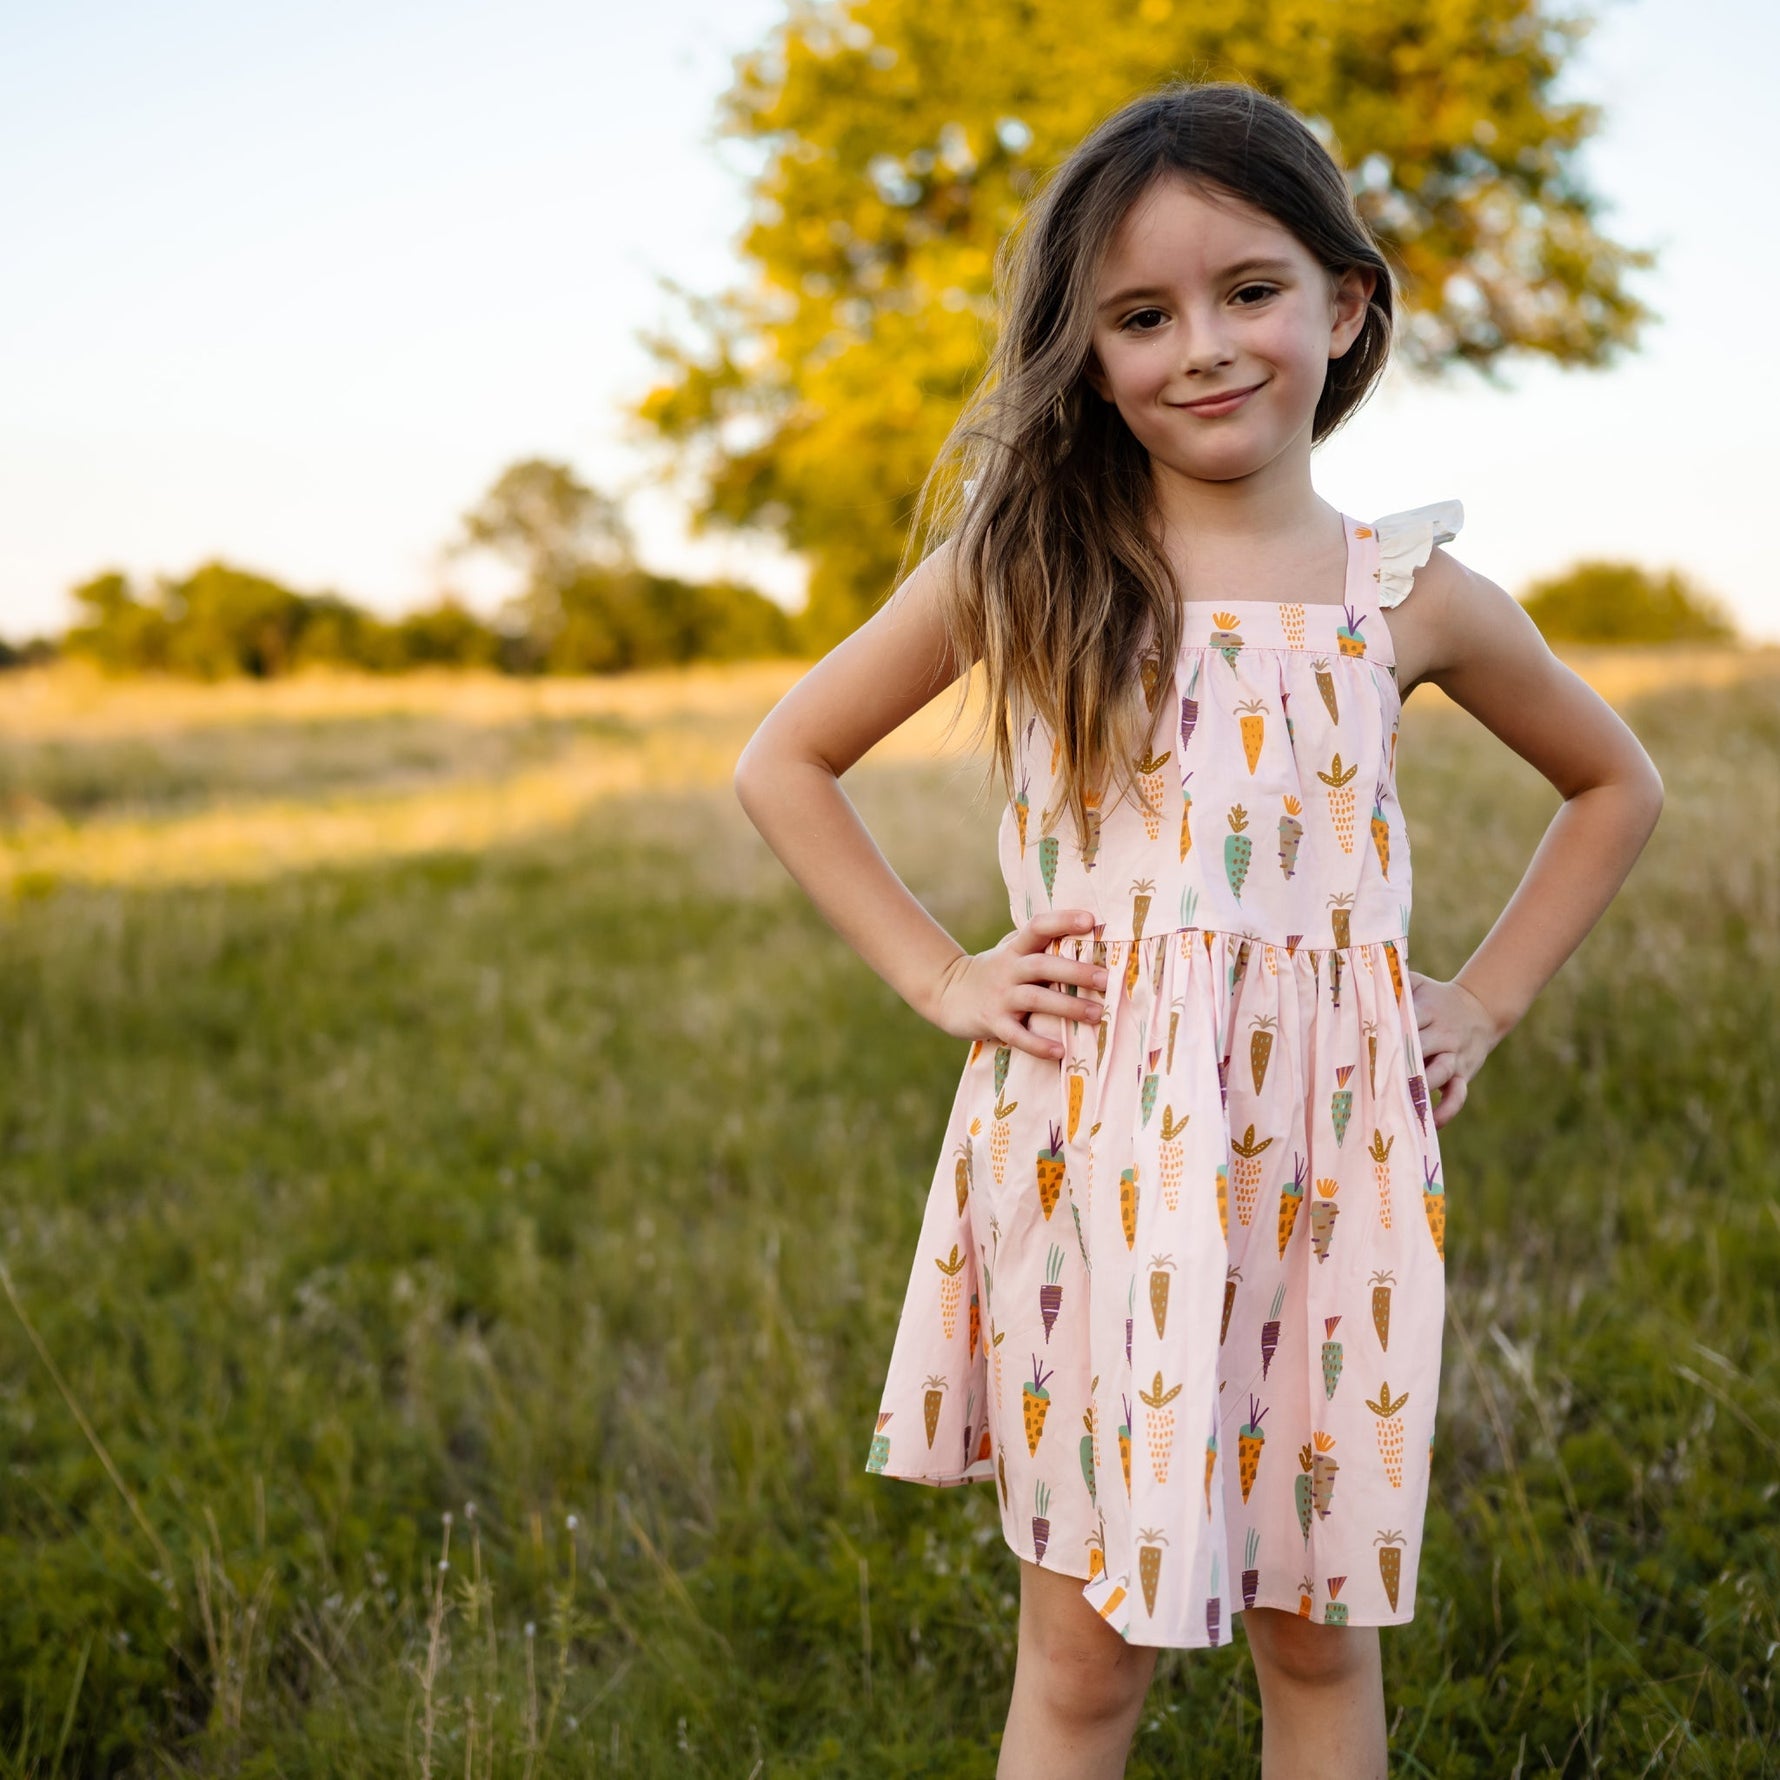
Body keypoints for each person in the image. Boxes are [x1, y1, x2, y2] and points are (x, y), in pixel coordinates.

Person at [733, 78, 1663, 1780]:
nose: (1204, 348)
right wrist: (943, 973)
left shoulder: (1411, 591)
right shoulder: (1026, 560)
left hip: (1330, 1161)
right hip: (1101, 1147)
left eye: (1251, 291)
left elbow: (1616, 784)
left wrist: (1487, 999)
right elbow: (786, 757)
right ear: (1086, 353)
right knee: (1083, 1664)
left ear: (1345, 303)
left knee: (1318, 1648)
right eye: (1141, 317)